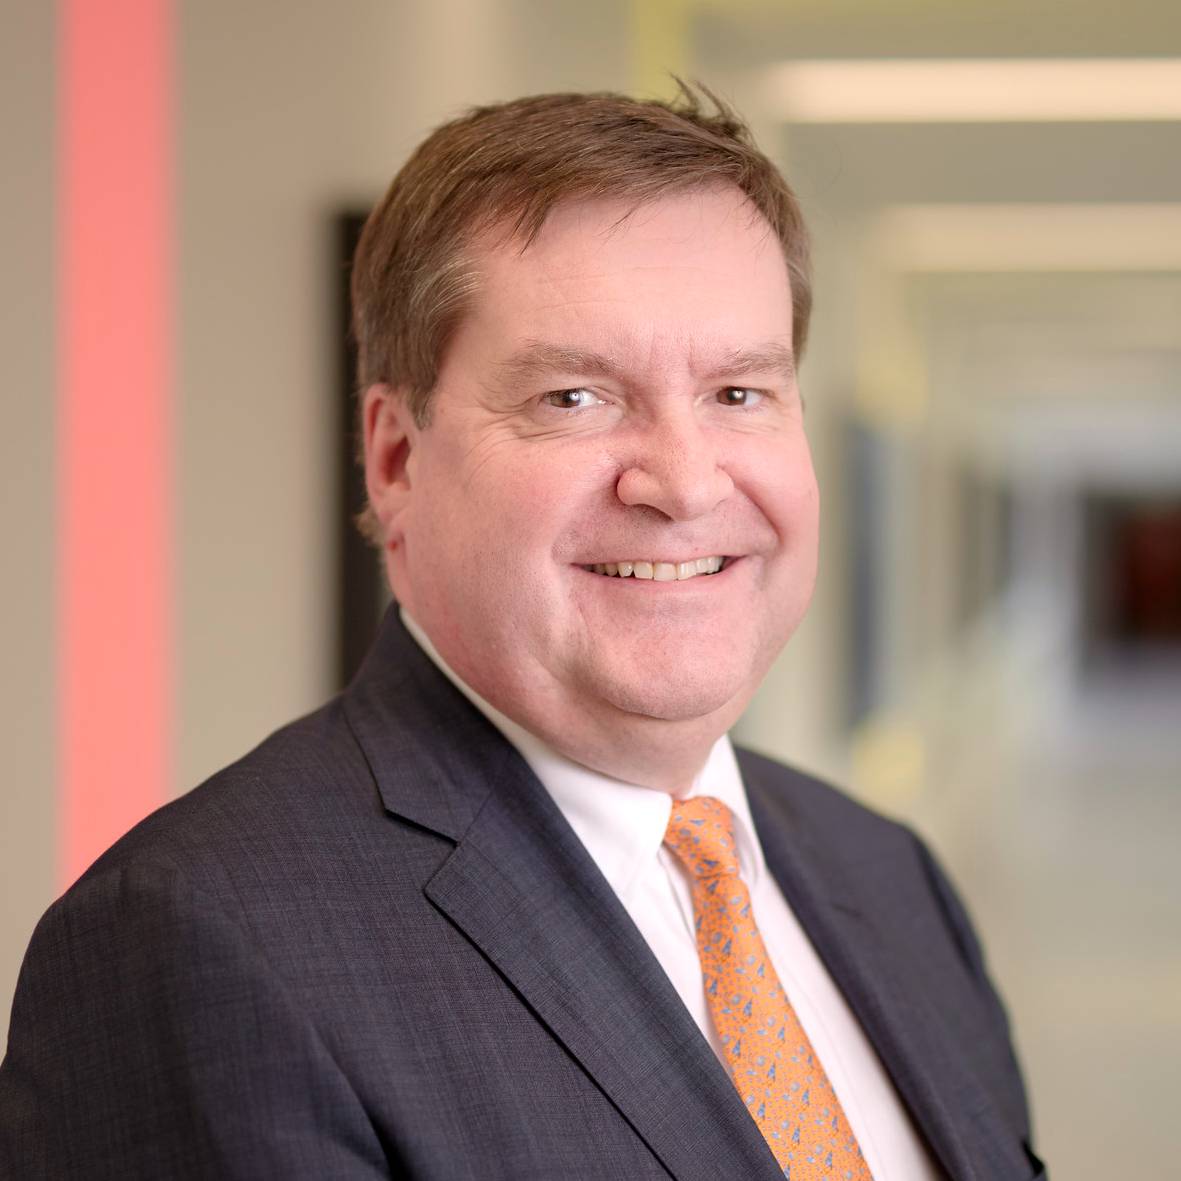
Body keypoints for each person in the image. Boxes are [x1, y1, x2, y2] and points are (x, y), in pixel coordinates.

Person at [0, 86, 1045, 1180]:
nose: (685, 482)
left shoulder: (885, 874)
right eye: (573, 397)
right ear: (395, 458)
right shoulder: (201, 942)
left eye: (738, 393)